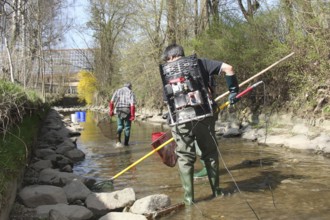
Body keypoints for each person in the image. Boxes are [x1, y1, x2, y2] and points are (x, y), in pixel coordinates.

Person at [160, 44, 239, 205]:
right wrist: (233, 90)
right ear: (182, 54)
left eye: (168, 59)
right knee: (209, 154)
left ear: (170, 58)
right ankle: (217, 192)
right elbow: (228, 68)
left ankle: (189, 200)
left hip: (179, 120)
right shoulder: (200, 63)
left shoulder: (166, 72)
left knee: (184, 158)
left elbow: (166, 100)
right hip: (204, 116)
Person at [109, 83, 137, 147]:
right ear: (129, 87)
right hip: (127, 110)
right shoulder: (130, 92)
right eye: (131, 87)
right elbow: (132, 104)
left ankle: (118, 141)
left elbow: (111, 101)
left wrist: (111, 111)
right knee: (127, 128)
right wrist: (132, 115)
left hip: (119, 110)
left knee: (120, 126)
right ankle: (126, 144)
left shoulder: (117, 91)